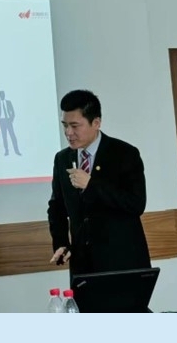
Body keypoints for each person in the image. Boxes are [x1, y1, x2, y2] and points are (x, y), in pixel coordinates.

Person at [47, 89, 151, 309]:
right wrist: (61, 243)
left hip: (123, 262)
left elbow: (136, 204)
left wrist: (91, 185)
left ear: (96, 122)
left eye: (75, 126)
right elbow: (56, 207)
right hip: (84, 267)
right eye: (65, 125)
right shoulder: (62, 159)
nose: (68, 133)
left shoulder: (125, 154)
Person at [0, 90, 21, 156]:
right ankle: (6, 151)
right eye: (1, 95)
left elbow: (13, 111)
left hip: (8, 120)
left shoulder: (8, 102)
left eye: (3, 94)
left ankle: (17, 150)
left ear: (4, 95)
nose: (3, 96)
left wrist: (11, 119)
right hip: (2, 121)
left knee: (13, 136)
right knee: (4, 137)